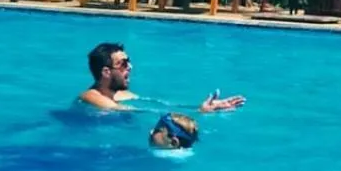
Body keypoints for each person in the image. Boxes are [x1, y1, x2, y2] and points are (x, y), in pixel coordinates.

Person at [77, 42, 247, 114]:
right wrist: (198, 114)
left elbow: (162, 106)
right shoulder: (91, 97)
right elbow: (140, 112)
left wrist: (201, 106)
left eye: (129, 62)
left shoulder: (124, 96)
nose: (130, 67)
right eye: (123, 64)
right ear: (106, 72)